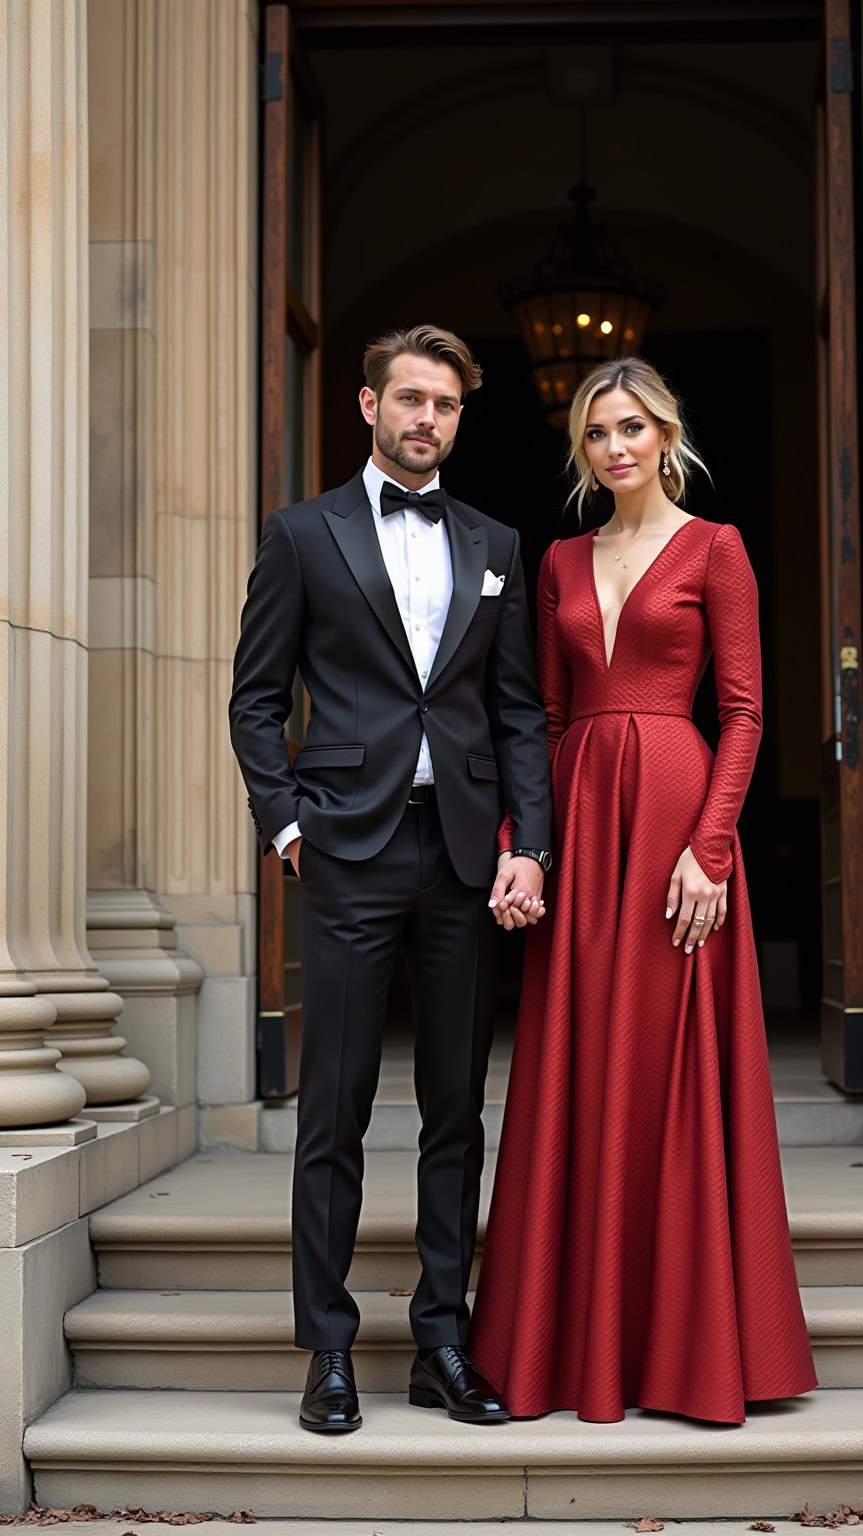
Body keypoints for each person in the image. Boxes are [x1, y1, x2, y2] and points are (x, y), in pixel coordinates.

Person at [469, 356, 817, 1424]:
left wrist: (709, 849)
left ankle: (688, 1350)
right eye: (593, 435)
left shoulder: (717, 549)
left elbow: (748, 711)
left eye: (630, 428)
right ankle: (571, 1343)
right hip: (582, 829)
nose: (614, 448)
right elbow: (548, 720)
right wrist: (522, 845)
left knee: (669, 1076)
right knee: (579, 1069)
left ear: (665, 434)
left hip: (676, 829)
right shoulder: (562, 562)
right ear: (580, 451)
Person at [228, 324, 553, 1434]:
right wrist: (284, 823)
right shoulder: (302, 534)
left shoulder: (497, 540)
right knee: (335, 1111)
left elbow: (518, 712)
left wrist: (529, 845)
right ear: (368, 407)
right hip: (346, 850)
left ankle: (441, 1340)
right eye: (409, 399)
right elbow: (254, 698)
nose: (427, 419)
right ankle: (326, 1350)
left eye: (446, 405)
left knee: (455, 1111)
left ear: (461, 417)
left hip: (464, 856)